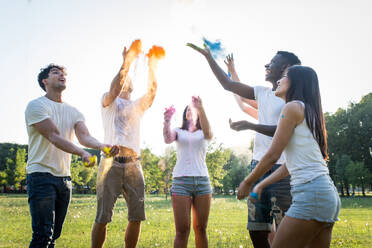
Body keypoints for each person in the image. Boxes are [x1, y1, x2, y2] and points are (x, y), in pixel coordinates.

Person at [188, 43, 300, 247]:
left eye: (273, 62)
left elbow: (285, 130)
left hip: (284, 170)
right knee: (257, 230)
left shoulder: (294, 99)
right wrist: (209, 58)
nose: (267, 64)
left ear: (286, 68)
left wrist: (251, 125)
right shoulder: (263, 93)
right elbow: (228, 85)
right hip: (258, 166)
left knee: (284, 232)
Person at [237, 65, 341, 248]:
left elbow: (273, 155)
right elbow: (288, 166)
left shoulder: (291, 108)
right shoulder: (310, 113)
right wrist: (261, 184)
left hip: (311, 195)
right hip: (327, 196)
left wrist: (248, 181)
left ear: (296, 82)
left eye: (284, 76)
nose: (278, 80)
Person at [25, 64, 118, 248]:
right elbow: (53, 136)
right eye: (55, 73)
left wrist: (101, 146)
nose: (61, 75)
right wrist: (82, 153)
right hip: (41, 176)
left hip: (64, 179)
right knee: (43, 234)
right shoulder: (36, 106)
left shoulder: (74, 111)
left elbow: (84, 136)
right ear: (45, 81)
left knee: (54, 235)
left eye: (63, 73)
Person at [91, 40, 164, 248]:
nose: (124, 80)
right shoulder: (108, 101)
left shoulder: (136, 106)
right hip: (110, 164)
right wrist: (127, 62)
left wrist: (152, 66)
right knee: (103, 216)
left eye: (126, 79)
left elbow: (152, 92)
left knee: (136, 216)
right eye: (123, 78)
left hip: (134, 164)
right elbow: (115, 87)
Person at [163, 96, 213, 248]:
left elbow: (209, 134)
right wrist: (167, 121)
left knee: (201, 229)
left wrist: (201, 107)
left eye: (194, 110)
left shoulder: (204, 131)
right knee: (182, 230)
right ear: (185, 115)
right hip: (181, 182)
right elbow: (167, 139)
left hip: (203, 182)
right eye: (188, 110)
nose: (191, 112)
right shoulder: (178, 131)